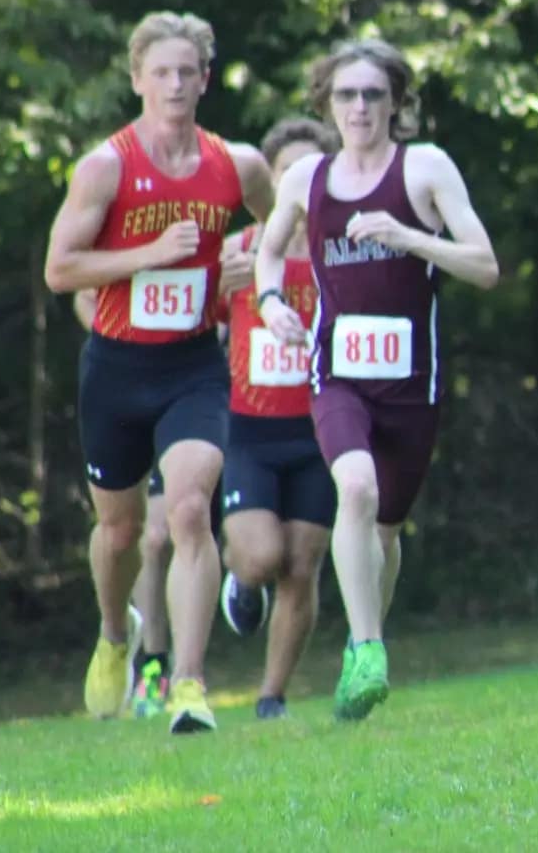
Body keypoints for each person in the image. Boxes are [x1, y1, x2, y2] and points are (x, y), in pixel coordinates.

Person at [44, 11, 275, 733]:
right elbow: (60, 270)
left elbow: (282, 225)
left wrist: (246, 266)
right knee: (118, 536)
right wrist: (148, 254)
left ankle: (189, 684)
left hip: (194, 365)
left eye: (188, 72)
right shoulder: (105, 167)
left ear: (205, 80)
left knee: (187, 510)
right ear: (137, 78)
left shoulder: (237, 165)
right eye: (161, 72)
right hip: (116, 368)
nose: (175, 85)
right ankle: (116, 633)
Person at [255, 39, 498, 721]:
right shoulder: (307, 181)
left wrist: (410, 236)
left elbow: (485, 266)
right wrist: (272, 305)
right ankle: (365, 650)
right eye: (345, 95)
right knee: (353, 489)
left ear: (395, 102)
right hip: (337, 375)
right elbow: (269, 254)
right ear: (327, 105)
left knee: (385, 533)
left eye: (371, 94)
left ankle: (366, 648)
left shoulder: (425, 169)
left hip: (410, 386)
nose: (359, 107)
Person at [211, 118, 340, 719]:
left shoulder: (341, 250)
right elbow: (196, 318)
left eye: (313, 171)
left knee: (302, 563)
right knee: (263, 558)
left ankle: (272, 695)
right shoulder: (240, 249)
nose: (300, 183)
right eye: (288, 171)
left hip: (320, 428)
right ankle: (239, 576)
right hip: (251, 430)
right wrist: (218, 285)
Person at [72, 288, 175, 720]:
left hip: (184, 384)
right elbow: (80, 293)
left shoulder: (216, 227)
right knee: (119, 532)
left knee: (159, 536)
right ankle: (115, 630)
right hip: (118, 383)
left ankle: (161, 665)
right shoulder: (110, 223)